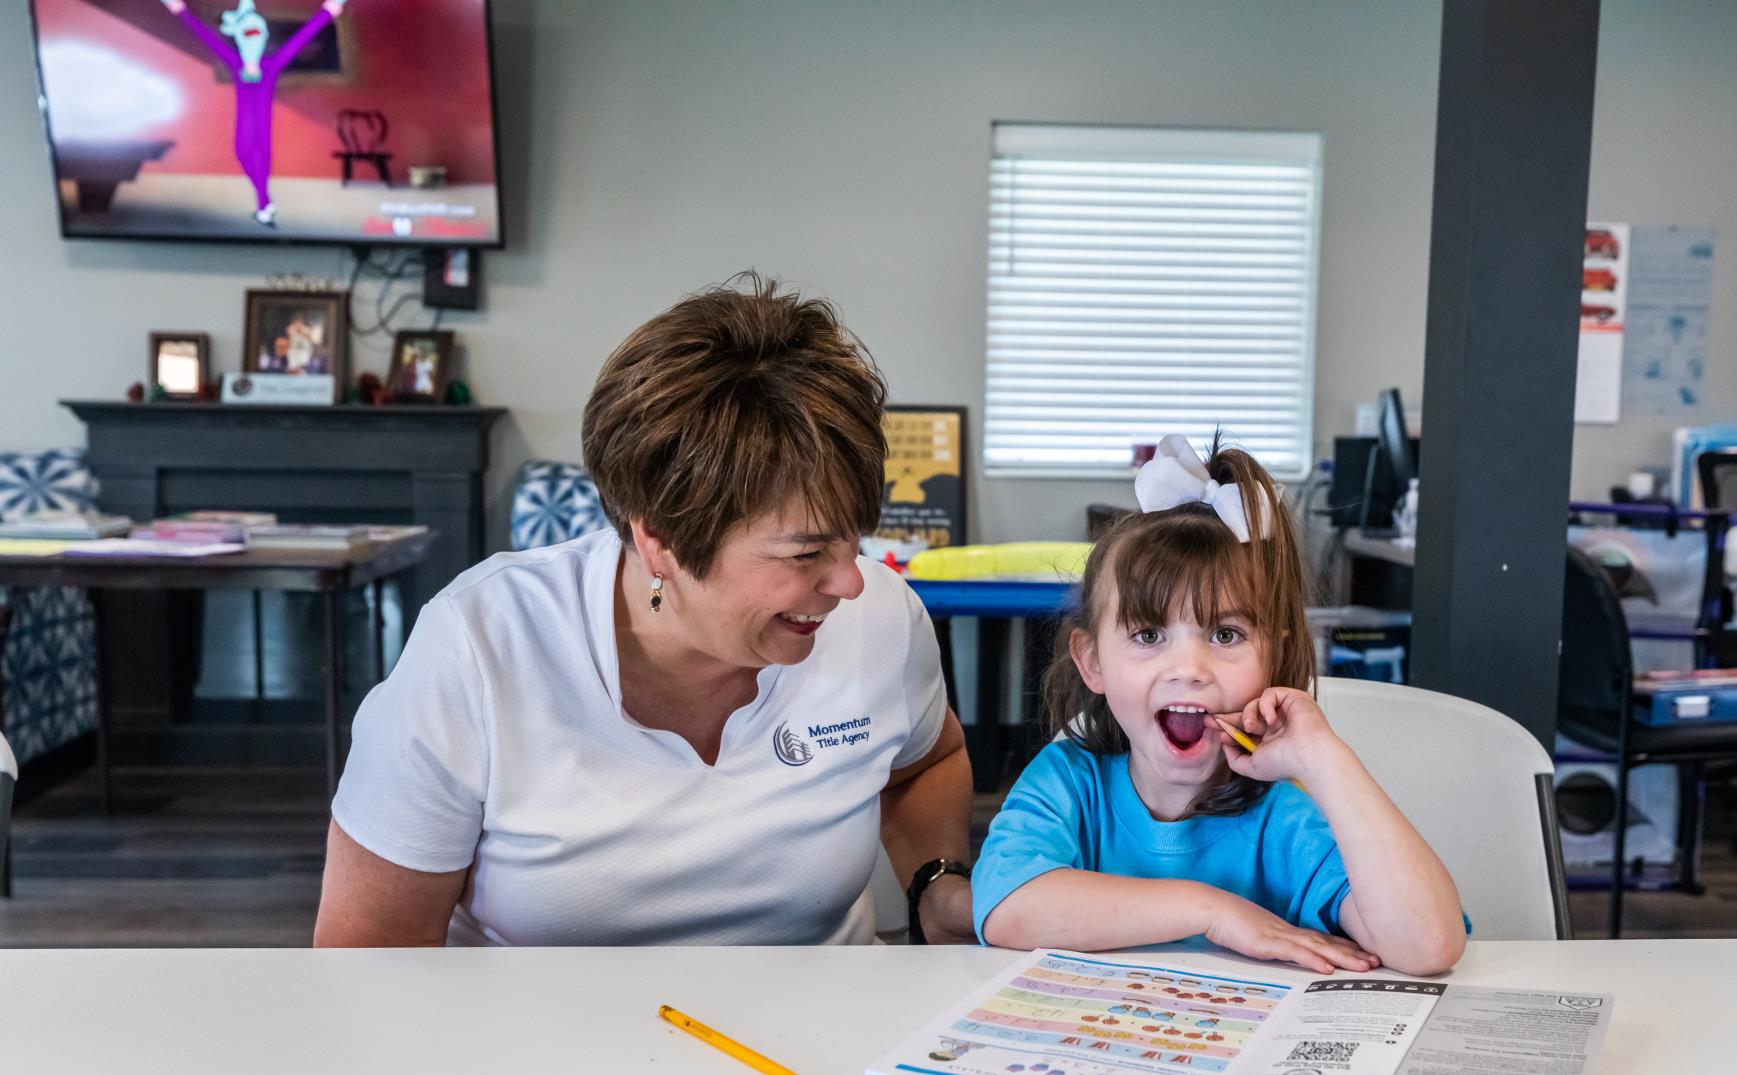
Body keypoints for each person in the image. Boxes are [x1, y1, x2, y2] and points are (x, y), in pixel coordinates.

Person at [314, 275, 976, 946]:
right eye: (804, 553)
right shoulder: (478, 647)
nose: (850, 582)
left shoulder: (881, 619)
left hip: (817, 1039)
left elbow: (928, 757)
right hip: (542, 1044)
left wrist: (936, 882)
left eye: (854, 540)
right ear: (656, 538)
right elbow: (368, 962)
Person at [971, 434, 1465, 976]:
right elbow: (1003, 906)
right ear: (1092, 663)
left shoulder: (1286, 820)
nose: (1189, 668)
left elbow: (1428, 946)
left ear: (1275, 659)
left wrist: (1326, 760)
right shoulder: (1068, 783)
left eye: (1226, 635)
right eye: (1149, 634)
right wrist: (1212, 911)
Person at [159, 0, 351, 226]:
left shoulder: (271, 65)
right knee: (241, 152)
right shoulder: (236, 63)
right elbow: (207, 38)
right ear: (240, 39)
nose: (252, 40)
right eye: (248, 35)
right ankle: (265, 203)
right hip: (244, 123)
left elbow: (300, 40)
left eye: (256, 34)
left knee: (259, 156)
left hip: (262, 124)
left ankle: (264, 205)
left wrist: (327, 13)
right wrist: (180, 12)